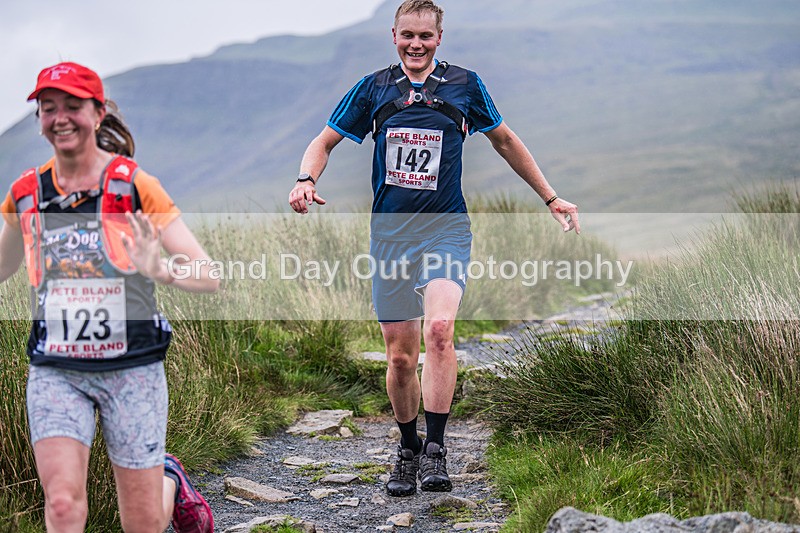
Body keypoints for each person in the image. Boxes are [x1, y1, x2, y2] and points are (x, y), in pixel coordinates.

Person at [289, 0, 580, 497]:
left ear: (439, 37)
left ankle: (437, 450)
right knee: (400, 357)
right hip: (391, 237)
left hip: (446, 229)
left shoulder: (465, 85)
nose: (416, 44)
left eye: (425, 35)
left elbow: (505, 141)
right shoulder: (374, 87)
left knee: (440, 330)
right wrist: (304, 179)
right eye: (407, 35)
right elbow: (324, 141)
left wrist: (550, 197)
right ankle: (407, 447)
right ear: (394, 35)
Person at [0, 62, 217, 531]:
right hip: (57, 370)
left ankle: (170, 481)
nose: (60, 118)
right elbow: (4, 266)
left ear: (98, 114)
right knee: (61, 505)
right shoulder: (27, 194)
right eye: (48, 107)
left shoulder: (134, 186)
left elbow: (208, 274)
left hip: (132, 369)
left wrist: (157, 267)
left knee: (139, 522)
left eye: (73, 106)